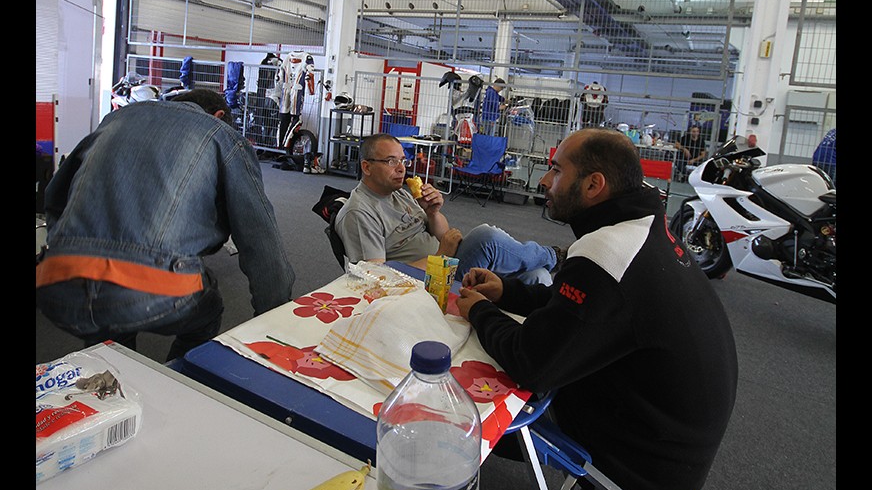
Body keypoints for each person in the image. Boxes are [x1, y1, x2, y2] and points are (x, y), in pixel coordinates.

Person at [456, 128, 738, 490]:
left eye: (556, 171)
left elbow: (531, 363)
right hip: (675, 444)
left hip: (646, 465)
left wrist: (479, 311)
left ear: (593, 185)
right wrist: (507, 293)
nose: (544, 181)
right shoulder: (642, 229)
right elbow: (576, 307)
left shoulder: (607, 253)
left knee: (466, 407)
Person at [36, 87, 295, 362]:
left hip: (59, 281)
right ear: (219, 115)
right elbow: (261, 242)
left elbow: (53, 198)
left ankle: (115, 377)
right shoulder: (222, 135)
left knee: (108, 330)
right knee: (208, 312)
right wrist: (273, 324)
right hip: (151, 290)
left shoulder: (116, 119)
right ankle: (176, 379)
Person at [334, 133, 564, 284]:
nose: (401, 168)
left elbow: (443, 234)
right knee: (486, 237)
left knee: (538, 277)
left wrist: (432, 212)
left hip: (445, 260)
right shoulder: (359, 213)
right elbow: (374, 279)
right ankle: (558, 256)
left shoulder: (399, 194)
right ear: (367, 167)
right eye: (391, 161)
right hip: (426, 281)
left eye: (403, 161)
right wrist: (441, 255)